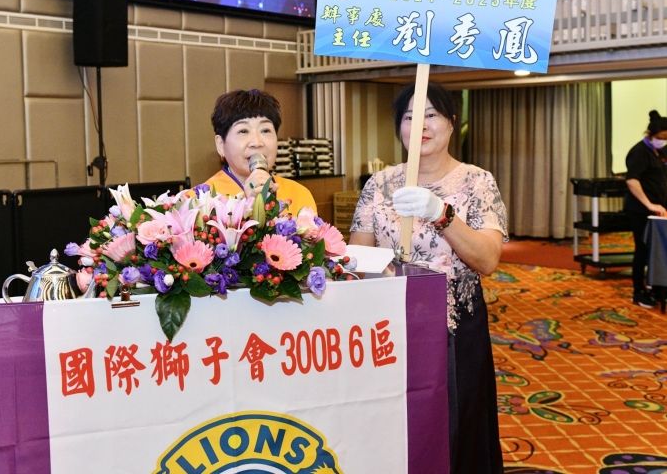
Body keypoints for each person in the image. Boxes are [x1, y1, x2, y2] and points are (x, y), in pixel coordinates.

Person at [349, 82, 506, 474]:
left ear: (451, 124)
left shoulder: (477, 182)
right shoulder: (379, 184)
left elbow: (487, 259)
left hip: (456, 328)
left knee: (456, 423)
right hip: (390, 328)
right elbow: (356, 261)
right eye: (409, 116)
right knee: (397, 426)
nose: (419, 124)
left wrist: (442, 214)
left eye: (430, 115)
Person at [203, 89, 317, 213]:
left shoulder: (299, 194)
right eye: (243, 131)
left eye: (265, 130)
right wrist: (251, 206)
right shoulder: (202, 200)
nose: (257, 143)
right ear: (220, 145)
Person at [623, 110, 667, 309]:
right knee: (643, 248)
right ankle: (638, 292)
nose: (663, 142)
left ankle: (658, 288)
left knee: (659, 249)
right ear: (650, 134)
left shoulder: (661, 152)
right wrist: (649, 204)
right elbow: (632, 181)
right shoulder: (639, 152)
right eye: (660, 138)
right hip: (640, 209)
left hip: (659, 208)